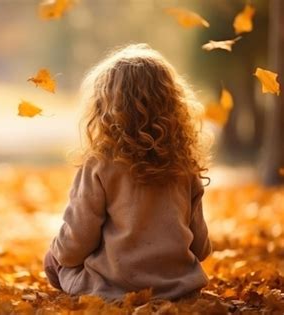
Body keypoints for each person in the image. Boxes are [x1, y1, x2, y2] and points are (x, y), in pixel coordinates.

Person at [44, 44, 212, 300]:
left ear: (105, 107)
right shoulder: (184, 165)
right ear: (172, 104)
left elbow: (75, 244)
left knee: (54, 261)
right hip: (176, 287)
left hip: (113, 288)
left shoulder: (99, 163)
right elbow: (200, 247)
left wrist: (56, 254)